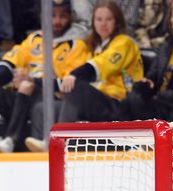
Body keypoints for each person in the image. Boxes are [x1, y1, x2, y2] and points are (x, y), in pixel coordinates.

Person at [0, 0, 89, 154]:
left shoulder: (77, 44)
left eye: (62, 16)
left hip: (51, 97)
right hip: (23, 94)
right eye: (52, 15)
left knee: (25, 86)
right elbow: (12, 59)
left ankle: (10, 140)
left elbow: (69, 83)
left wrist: (33, 81)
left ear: (71, 17)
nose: (57, 21)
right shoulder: (34, 39)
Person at [26, 0, 142, 152]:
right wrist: (42, 83)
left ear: (117, 21)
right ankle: (44, 152)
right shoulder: (93, 46)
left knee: (78, 88)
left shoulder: (124, 42)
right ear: (93, 22)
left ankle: (56, 142)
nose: (103, 24)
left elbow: (102, 65)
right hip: (98, 102)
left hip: (119, 105)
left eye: (109, 19)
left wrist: (74, 76)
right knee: (42, 108)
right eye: (99, 19)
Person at [124, 0, 173, 122]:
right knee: (131, 98)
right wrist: (147, 81)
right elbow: (154, 74)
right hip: (159, 101)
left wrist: (160, 96)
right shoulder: (167, 45)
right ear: (170, 20)